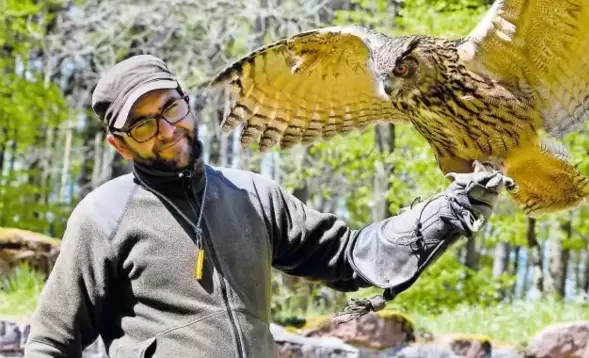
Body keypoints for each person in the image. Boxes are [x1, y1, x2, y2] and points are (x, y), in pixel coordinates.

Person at [25, 55, 512, 358]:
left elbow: (349, 257)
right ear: (120, 146)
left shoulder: (252, 195)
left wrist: (441, 217)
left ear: (187, 102)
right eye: (145, 125)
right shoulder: (103, 215)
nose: (169, 130)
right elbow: (50, 342)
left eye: (171, 108)